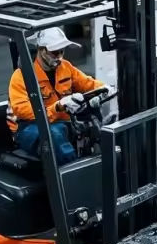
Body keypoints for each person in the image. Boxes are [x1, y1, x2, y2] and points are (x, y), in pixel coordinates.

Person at [7, 27, 109, 165]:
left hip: (63, 123)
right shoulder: (21, 76)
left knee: (95, 124)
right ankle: (74, 172)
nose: (59, 57)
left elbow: (87, 83)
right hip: (31, 127)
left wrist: (104, 88)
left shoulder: (65, 67)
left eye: (62, 51)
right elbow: (22, 109)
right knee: (54, 135)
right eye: (55, 53)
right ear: (41, 50)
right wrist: (57, 107)